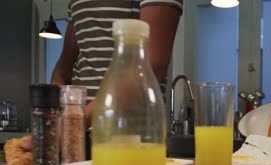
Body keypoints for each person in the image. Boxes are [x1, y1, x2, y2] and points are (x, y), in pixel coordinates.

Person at [21, 0, 182, 151]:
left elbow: (153, 64)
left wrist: (74, 123)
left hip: (129, 136)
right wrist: (54, 120)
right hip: (77, 138)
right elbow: (64, 67)